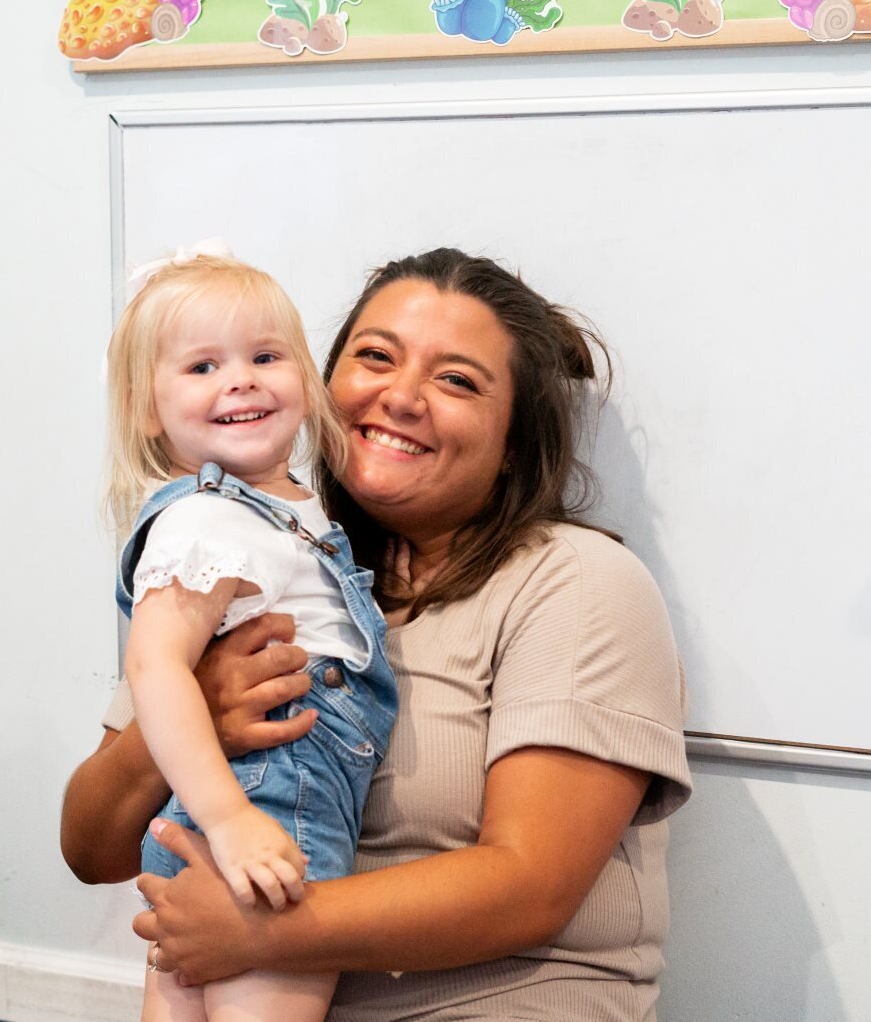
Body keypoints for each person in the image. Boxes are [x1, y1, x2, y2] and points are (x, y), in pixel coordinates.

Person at [63, 247, 693, 1020]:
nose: (401, 396)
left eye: (457, 380)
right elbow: (92, 848)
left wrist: (265, 934)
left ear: (512, 445)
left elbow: (530, 887)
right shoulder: (247, 559)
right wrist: (200, 708)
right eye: (374, 357)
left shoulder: (577, 583)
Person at [101, 248, 397, 1021]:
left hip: (237, 806)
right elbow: (156, 667)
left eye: (265, 355)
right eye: (202, 366)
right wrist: (231, 818)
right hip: (269, 797)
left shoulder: (287, 511)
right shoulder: (208, 518)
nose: (240, 379)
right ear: (146, 408)